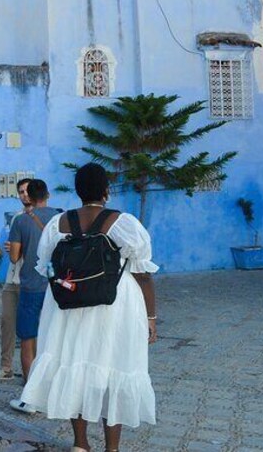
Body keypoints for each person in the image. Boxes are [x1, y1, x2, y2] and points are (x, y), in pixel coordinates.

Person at [10, 163, 158, 452]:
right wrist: (151, 316)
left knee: (75, 366)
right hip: (113, 307)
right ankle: (111, 448)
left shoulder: (58, 223)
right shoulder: (124, 223)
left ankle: (80, 444)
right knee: (113, 369)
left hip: (69, 305)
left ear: (77, 191)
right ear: (106, 191)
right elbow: (143, 274)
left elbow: (45, 266)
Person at [8, 179, 61, 382]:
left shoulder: (21, 221)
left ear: (29, 196)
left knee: (28, 339)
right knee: (53, 337)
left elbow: (14, 257)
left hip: (30, 285)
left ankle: (30, 388)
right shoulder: (60, 218)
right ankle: (51, 383)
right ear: (47, 195)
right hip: (55, 286)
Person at [0, 178, 33, 382]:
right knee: (7, 322)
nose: (24, 195)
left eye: (27, 191)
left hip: (31, 280)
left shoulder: (45, 218)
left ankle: (33, 370)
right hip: (12, 278)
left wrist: (17, 249)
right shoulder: (17, 218)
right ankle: (6, 367)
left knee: (32, 328)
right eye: (20, 192)